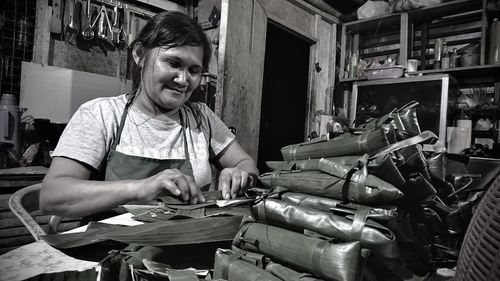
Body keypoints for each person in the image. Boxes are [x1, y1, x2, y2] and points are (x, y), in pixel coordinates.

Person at [40, 11, 259, 219]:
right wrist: (140, 187)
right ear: (140, 55)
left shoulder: (201, 117)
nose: (183, 80)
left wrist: (239, 174)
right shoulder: (102, 115)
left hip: (184, 245)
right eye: (173, 63)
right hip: (113, 249)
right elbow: (53, 196)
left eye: (194, 70)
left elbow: (244, 162)